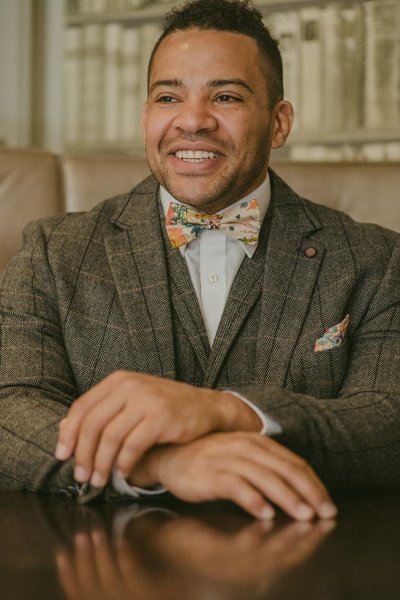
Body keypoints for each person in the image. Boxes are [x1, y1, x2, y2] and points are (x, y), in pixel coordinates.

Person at [0, 0, 399, 522]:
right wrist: (161, 463)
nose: (191, 120)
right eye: (169, 96)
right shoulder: (54, 251)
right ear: (146, 118)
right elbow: (10, 409)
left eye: (226, 96)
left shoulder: (378, 259)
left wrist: (229, 411)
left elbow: (390, 421)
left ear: (279, 124)